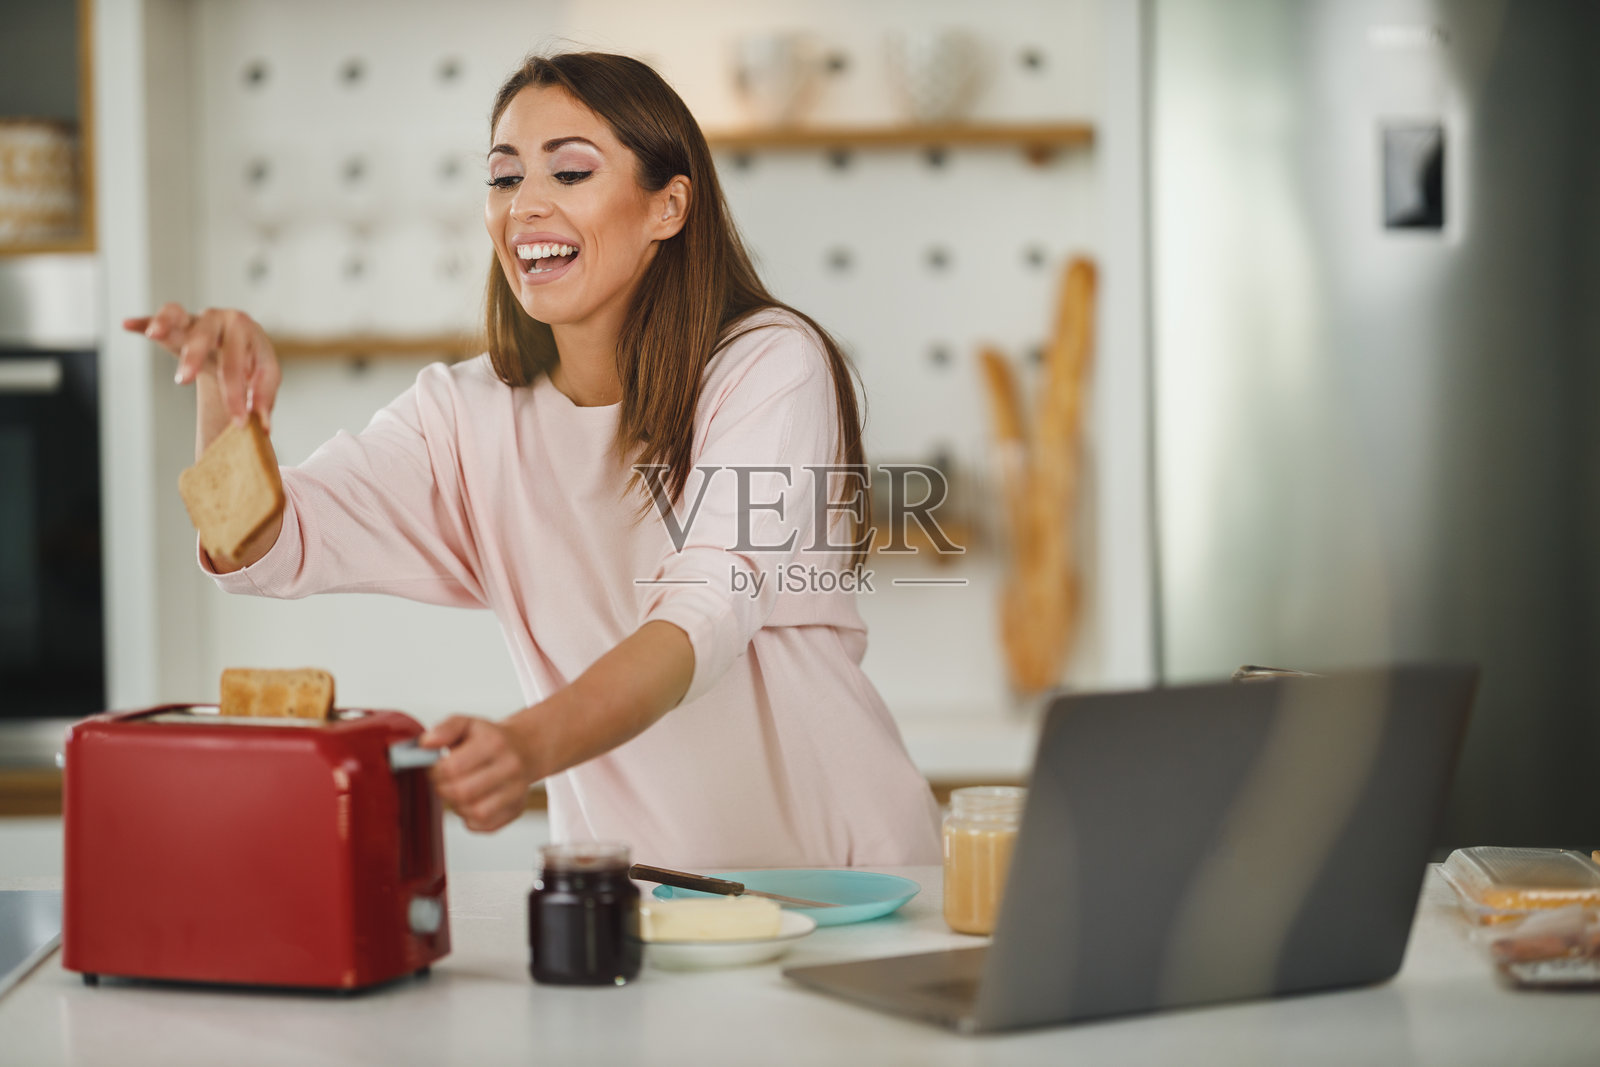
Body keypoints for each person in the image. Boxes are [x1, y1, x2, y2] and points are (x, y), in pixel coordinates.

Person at [124, 52, 941, 869]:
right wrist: (229, 412)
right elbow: (265, 547)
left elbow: (704, 613)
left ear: (669, 205)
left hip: (849, 890)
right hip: (640, 907)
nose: (527, 206)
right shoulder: (464, 415)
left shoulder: (768, 364)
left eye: (571, 171)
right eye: (504, 178)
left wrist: (525, 746)